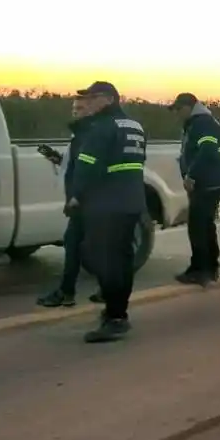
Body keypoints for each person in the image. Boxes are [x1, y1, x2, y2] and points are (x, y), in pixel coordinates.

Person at [67, 81, 147, 343]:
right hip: (132, 200)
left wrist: (76, 195)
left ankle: (115, 318)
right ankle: (118, 312)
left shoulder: (101, 127)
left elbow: (87, 165)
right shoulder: (134, 126)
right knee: (122, 259)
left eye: (92, 98)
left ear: (108, 99)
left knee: (101, 256)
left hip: (107, 204)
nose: (88, 103)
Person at [36, 97, 105, 307]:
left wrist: (77, 197)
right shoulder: (80, 135)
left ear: (92, 109)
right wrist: (56, 158)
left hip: (87, 201)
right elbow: (74, 166)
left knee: (77, 244)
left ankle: (67, 292)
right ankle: (101, 290)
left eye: (81, 108)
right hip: (84, 200)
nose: (76, 112)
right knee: (92, 246)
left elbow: (91, 169)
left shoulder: (89, 135)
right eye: (74, 108)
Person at [170, 93, 220, 286]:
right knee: (206, 225)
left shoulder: (202, 123)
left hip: (206, 183)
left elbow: (207, 151)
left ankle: (200, 269)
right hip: (212, 181)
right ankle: (210, 266)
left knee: (198, 227)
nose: (177, 114)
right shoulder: (200, 123)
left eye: (179, 109)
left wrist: (192, 175)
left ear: (189, 107)